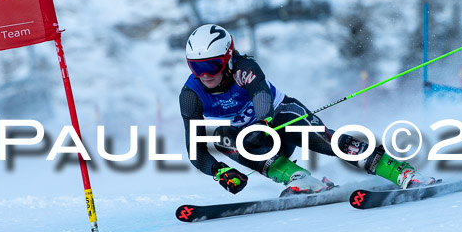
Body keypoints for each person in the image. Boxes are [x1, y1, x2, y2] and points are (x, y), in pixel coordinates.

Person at [179, 24, 436, 196]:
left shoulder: (244, 68)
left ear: (228, 57)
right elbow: (195, 148)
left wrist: (264, 122)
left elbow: (260, 95)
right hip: (255, 142)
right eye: (195, 67)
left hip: (278, 118)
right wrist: (219, 171)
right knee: (220, 136)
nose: (204, 75)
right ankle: (298, 178)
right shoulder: (191, 95)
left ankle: (399, 171)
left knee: (325, 141)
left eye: (212, 65)